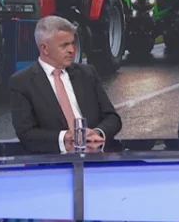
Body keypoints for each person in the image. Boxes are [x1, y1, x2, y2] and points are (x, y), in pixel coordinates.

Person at [9, 15, 122, 153]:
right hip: (54, 160)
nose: (72, 50)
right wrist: (66, 137)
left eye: (72, 43)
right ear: (44, 48)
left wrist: (97, 133)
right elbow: (26, 134)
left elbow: (113, 118)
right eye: (64, 45)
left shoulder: (87, 73)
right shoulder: (22, 82)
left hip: (94, 155)